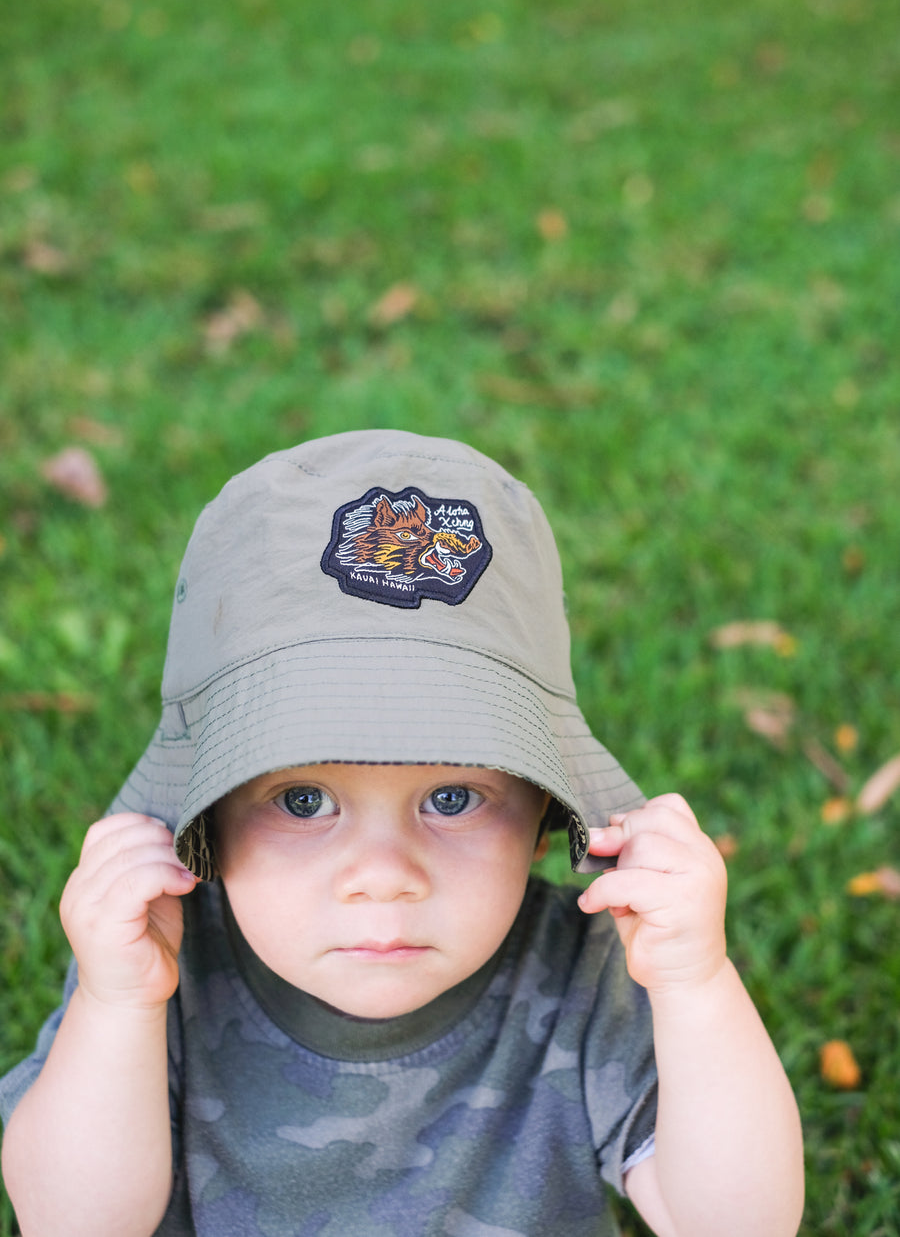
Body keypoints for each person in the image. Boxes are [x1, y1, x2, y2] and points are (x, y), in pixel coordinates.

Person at [0, 429, 804, 1237]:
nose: (383, 874)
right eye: (304, 800)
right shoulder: (160, 970)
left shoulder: (587, 978)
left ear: (541, 811)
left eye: (453, 796)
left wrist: (697, 988)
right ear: (204, 817)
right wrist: (114, 1006)